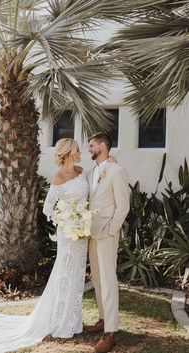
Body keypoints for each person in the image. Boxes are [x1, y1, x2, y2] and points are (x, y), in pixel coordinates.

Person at [0, 138, 89, 353]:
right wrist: (67, 221)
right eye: (78, 149)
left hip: (83, 233)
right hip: (69, 234)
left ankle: (74, 320)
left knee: (77, 274)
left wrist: (82, 219)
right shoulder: (59, 177)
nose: (81, 151)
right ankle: (61, 323)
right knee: (64, 274)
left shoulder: (82, 171)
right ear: (69, 152)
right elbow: (47, 209)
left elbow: (86, 201)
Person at [84, 132, 130, 353]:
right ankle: (103, 318)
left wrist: (112, 231)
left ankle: (110, 332)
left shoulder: (117, 171)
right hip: (91, 232)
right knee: (97, 277)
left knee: (108, 279)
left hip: (107, 234)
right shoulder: (92, 171)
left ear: (103, 146)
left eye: (92, 145)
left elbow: (123, 206)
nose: (89, 149)